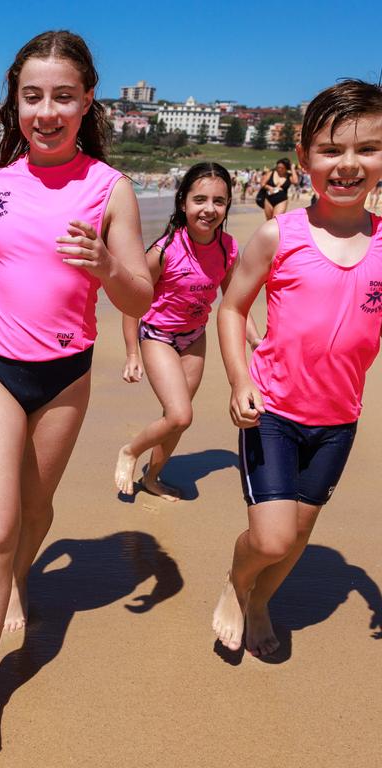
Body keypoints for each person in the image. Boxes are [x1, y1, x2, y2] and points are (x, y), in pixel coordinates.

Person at [0, 31, 151, 752]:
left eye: (61, 97)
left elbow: (139, 292)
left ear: (87, 101)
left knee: (36, 508)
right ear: (13, 105)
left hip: (66, 374)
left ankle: (19, 577)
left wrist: (106, 270)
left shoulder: (107, 187)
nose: (46, 111)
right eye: (32, 97)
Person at [212, 79, 382, 657]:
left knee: (299, 535)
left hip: (339, 419)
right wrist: (239, 380)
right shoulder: (277, 236)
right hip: (275, 410)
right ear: (305, 157)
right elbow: (232, 308)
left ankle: (262, 603)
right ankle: (237, 586)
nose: (348, 164)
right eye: (332, 150)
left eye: (367, 149)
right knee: (271, 535)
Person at [115, 163, 261, 499]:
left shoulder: (227, 248)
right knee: (181, 415)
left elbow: (235, 302)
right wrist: (132, 353)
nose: (209, 209)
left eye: (219, 201)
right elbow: (131, 300)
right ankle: (130, 451)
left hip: (195, 337)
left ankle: (152, 478)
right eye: (200, 199)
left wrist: (255, 339)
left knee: (174, 418)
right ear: (183, 203)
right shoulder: (165, 251)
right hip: (158, 337)